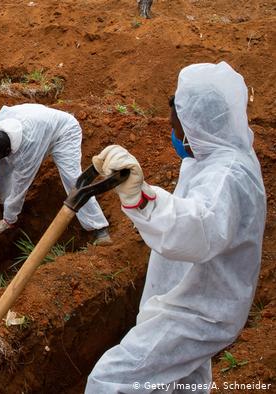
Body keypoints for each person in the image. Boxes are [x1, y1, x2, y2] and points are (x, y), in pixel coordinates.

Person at [86, 62, 265, 393]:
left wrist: (140, 198)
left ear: (199, 125)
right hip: (195, 298)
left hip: (199, 312)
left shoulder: (227, 175)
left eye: (177, 128)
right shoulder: (211, 159)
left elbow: (198, 230)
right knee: (183, 384)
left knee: (111, 381)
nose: (174, 136)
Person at [0, 104, 112, 244]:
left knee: (73, 179)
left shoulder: (28, 149)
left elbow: (20, 186)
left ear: (9, 149)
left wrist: (9, 220)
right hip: (42, 126)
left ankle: (99, 228)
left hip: (64, 132)